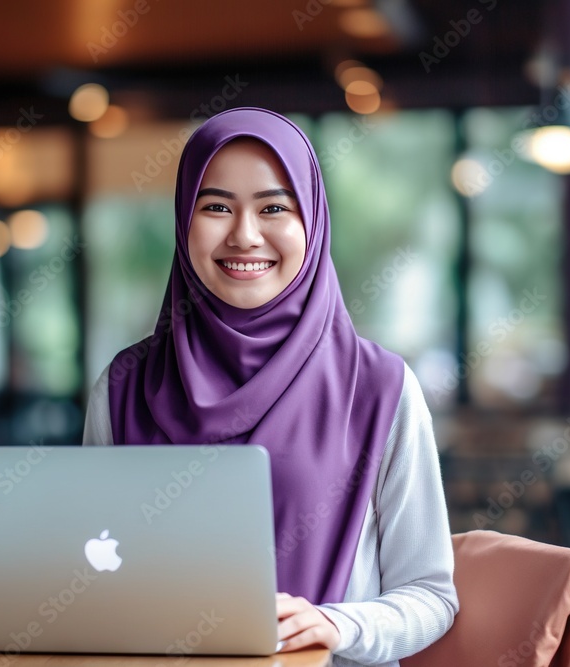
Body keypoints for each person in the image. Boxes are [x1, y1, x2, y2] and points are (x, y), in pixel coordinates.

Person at [83, 107, 458, 666]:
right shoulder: (123, 387)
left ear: (313, 221)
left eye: (274, 207)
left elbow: (432, 595)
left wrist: (334, 623)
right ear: (184, 220)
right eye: (215, 207)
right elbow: (88, 566)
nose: (245, 234)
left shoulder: (380, 389)